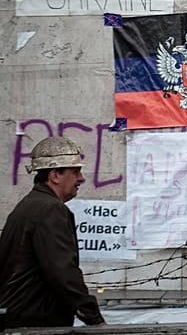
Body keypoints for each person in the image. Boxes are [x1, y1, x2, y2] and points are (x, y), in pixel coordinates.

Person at [0, 136, 105, 328]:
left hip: (19, 318)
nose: (81, 178)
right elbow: (63, 272)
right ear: (55, 175)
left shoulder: (28, 206)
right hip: (37, 322)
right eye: (75, 172)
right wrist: (95, 319)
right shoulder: (51, 210)